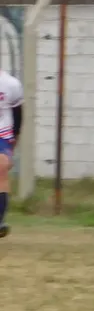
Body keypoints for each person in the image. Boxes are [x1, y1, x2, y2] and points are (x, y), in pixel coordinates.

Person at [0, 69, 23, 239]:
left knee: (1, 168)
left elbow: (18, 115)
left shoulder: (10, 83)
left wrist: (15, 140)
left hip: (2, 134)